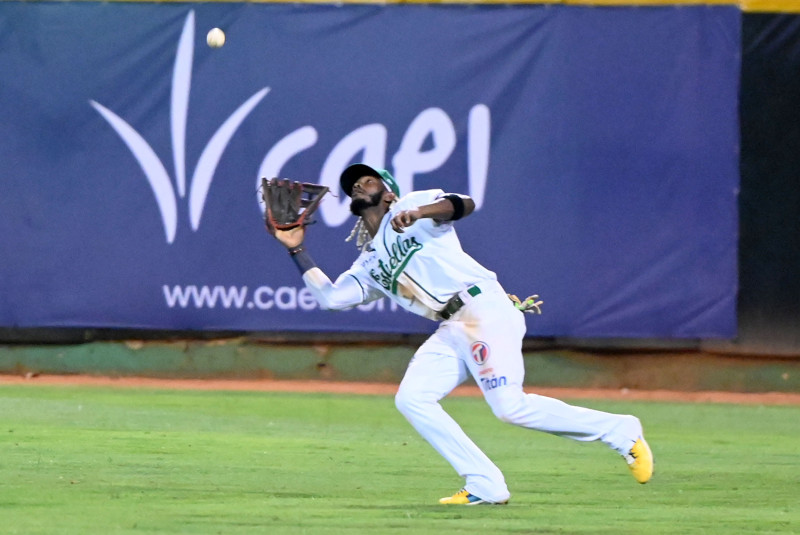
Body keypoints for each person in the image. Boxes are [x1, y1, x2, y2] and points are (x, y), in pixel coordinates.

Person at [268, 163, 654, 505]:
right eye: (353, 185)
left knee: (510, 407)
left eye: (367, 180)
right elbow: (333, 298)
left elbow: (462, 203)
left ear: (388, 190)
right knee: (413, 399)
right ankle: (485, 484)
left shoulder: (410, 209)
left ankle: (620, 431)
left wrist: (420, 211)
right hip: (452, 326)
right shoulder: (367, 263)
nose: (357, 186)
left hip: (481, 308)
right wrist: (296, 250)